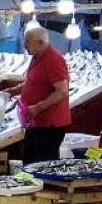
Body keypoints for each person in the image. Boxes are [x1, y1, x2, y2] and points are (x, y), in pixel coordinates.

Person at [19, 26, 71, 164]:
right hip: (36, 122)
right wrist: (14, 90)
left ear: (41, 42)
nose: (24, 45)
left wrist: (38, 107)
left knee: (45, 163)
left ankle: (47, 186)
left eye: (28, 41)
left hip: (50, 125)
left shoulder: (53, 59)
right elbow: (35, 82)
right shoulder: (36, 57)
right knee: (28, 159)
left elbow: (62, 91)